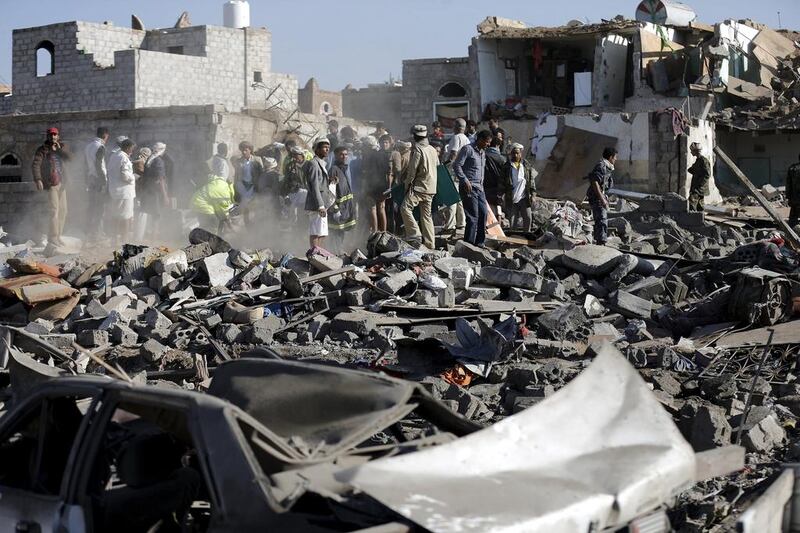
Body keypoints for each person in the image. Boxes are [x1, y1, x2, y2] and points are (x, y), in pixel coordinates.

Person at [400, 125, 439, 249]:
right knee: (426, 216)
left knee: (405, 208)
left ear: (415, 136)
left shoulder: (417, 149)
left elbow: (412, 171)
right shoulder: (432, 149)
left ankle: (414, 234)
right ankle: (430, 243)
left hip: (419, 187)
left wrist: (407, 186)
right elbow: (437, 165)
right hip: (431, 188)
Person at [32, 127, 71, 247]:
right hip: (51, 184)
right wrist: (38, 179)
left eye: (55, 135)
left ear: (58, 136)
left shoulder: (62, 147)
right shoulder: (43, 150)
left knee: (63, 211)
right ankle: (52, 238)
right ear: (47, 136)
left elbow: (70, 159)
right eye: (51, 135)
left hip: (62, 183)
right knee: (54, 210)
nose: (53, 137)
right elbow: (35, 164)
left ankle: (58, 236)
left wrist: (59, 150)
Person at [453, 130, 492, 247]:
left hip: (480, 189)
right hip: (468, 188)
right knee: (473, 216)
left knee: (484, 213)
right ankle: (469, 244)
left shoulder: (482, 152)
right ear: (480, 140)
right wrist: (464, 180)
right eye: (487, 142)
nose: (488, 144)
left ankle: (479, 242)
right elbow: (457, 165)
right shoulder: (468, 149)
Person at [192, 157, 237, 233]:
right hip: (202, 204)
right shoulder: (225, 192)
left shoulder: (221, 183)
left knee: (206, 225)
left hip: (198, 202)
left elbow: (219, 209)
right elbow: (224, 211)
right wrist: (230, 225)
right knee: (213, 226)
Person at [328, 145, 357, 253]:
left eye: (346, 154)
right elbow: (330, 192)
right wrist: (335, 209)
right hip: (338, 208)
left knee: (341, 231)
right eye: (341, 154)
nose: (344, 156)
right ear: (336, 156)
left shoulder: (345, 168)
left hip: (345, 207)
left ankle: (339, 251)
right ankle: (335, 253)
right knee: (335, 233)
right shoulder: (333, 170)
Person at [304, 138, 333, 251]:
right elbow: (314, 186)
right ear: (317, 149)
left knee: (322, 233)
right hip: (317, 205)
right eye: (324, 147)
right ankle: (315, 256)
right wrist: (320, 205)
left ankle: (319, 255)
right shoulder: (313, 164)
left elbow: (320, 184)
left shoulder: (321, 163)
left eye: (328, 147)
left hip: (321, 205)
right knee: (316, 232)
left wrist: (330, 181)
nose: (327, 149)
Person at [443, 119, 470, 235]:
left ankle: (450, 225)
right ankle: (461, 223)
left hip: (453, 171)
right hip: (463, 172)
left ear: (456, 126)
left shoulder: (456, 137)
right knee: (459, 199)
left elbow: (453, 154)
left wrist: (446, 164)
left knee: (452, 198)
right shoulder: (467, 139)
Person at [107, 138, 137, 244]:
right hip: (125, 193)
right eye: (132, 148)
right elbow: (125, 175)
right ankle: (125, 241)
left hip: (115, 191)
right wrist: (133, 177)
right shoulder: (124, 158)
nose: (132, 151)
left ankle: (114, 240)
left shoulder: (114, 156)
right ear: (128, 147)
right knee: (126, 217)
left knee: (115, 215)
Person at [586, 147, 617, 246]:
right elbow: (595, 182)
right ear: (611, 157)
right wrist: (602, 198)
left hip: (600, 196)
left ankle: (600, 241)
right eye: (615, 157)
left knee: (601, 219)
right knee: (601, 219)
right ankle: (601, 243)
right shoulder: (601, 166)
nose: (616, 159)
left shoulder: (607, 167)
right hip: (596, 197)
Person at [503, 143, 536, 232]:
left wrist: (533, 195)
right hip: (512, 197)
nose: (515, 155)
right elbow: (502, 182)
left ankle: (526, 236)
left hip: (524, 197)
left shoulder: (526, 165)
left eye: (517, 153)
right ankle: (513, 240)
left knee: (528, 218)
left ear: (521, 153)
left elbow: (531, 180)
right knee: (513, 221)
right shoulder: (507, 166)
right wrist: (500, 196)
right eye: (513, 153)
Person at [84, 127, 109, 241]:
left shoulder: (88, 146)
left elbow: (85, 164)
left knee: (92, 206)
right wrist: (103, 181)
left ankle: (88, 231)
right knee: (100, 207)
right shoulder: (100, 146)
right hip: (99, 179)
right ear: (105, 135)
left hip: (90, 178)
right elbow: (99, 164)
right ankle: (97, 233)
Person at [140, 142, 169, 239]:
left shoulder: (150, 159)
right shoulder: (158, 161)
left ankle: (151, 235)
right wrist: (165, 196)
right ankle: (154, 236)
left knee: (152, 213)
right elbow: (160, 179)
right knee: (156, 214)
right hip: (156, 191)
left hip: (148, 190)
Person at [360, 135, 388, 233]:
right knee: (381, 208)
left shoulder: (367, 156)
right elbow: (387, 171)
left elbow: (365, 172)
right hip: (382, 185)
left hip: (371, 186)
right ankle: (383, 232)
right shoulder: (383, 154)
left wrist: (365, 188)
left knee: (372, 208)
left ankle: (375, 232)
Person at [232, 141, 264, 225]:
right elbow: (236, 175)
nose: (243, 152)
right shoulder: (239, 161)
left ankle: (256, 226)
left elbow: (262, 174)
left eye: (246, 150)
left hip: (254, 187)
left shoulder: (257, 160)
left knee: (255, 208)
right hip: (243, 188)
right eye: (242, 150)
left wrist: (260, 187)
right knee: (245, 208)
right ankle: (247, 226)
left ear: (250, 150)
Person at [281, 146, 308, 223]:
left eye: (296, 156)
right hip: (294, 194)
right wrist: (285, 196)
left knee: (305, 218)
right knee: (292, 218)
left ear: (302, 155)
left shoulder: (309, 165)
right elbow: (286, 181)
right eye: (293, 156)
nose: (294, 158)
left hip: (307, 195)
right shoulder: (290, 166)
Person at [484, 131, 507, 221]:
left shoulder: (483, 156)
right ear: (498, 146)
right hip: (498, 188)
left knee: (488, 211)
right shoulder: (502, 159)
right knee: (498, 209)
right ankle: (499, 230)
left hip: (485, 187)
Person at [687, 142, 711, 212]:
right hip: (698, 187)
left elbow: (707, 174)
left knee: (691, 204)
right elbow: (696, 171)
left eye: (692, 150)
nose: (691, 152)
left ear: (696, 151)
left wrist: (699, 184)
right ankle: (699, 220)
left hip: (699, 188)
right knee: (699, 206)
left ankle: (692, 220)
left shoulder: (703, 160)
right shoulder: (698, 160)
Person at [787, 154, 800, 227]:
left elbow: (788, 184)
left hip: (794, 199)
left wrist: (788, 197)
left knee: (793, 219)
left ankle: (791, 233)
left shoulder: (792, 168)